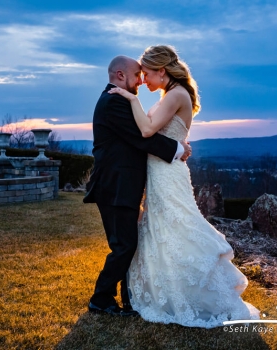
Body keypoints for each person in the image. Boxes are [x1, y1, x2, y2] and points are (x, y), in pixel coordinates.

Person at [109, 45, 259, 327]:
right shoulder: (174, 94)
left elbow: (145, 130)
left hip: (167, 174)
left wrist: (131, 99)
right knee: (163, 230)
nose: (143, 81)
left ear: (161, 71)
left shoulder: (176, 94)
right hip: (161, 171)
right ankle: (168, 290)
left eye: (147, 74)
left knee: (178, 227)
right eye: (139, 76)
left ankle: (193, 292)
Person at [83, 55, 192, 316]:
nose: (141, 81)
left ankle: (129, 297)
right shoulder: (114, 101)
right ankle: (100, 298)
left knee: (127, 244)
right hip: (115, 186)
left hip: (121, 186)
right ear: (120, 75)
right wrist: (177, 148)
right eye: (136, 75)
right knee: (124, 246)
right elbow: (140, 138)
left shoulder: (116, 98)